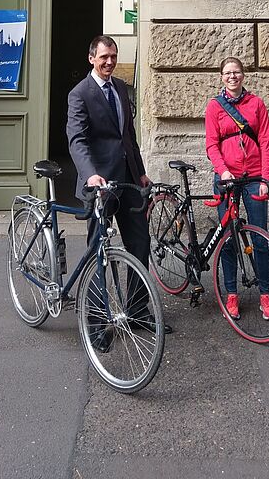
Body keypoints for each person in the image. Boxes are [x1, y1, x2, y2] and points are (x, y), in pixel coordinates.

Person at [66, 34, 171, 335]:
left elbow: (128, 137)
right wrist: (90, 174)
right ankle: (97, 322)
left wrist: (140, 173)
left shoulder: (121, 88)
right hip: (99, 183)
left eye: (113, 56)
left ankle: (138, 311)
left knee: (140, 243)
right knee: (98, 250)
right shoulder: (80, 94)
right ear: (91, 58)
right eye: (104, 57)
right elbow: (77, 140)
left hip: (127, 181)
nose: (110, 61)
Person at [205, 56, 269, 322]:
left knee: (260, 238)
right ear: (221, 77)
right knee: (228, 239)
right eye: (227, 73)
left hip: (254, 177)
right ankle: (231, 294)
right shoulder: (214, 107)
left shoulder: (256, 104)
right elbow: (212, 145)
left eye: (236, 72)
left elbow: (266, 142)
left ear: (243, 76)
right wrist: (223, 171)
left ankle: (265, 295)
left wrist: (266, 179)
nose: (232, 77)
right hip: (226, 178)